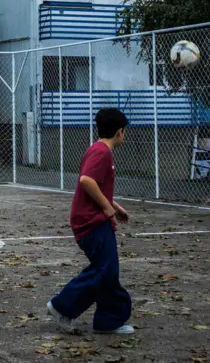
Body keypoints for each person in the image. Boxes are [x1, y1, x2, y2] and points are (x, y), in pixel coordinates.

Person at [46, 107, 134, 335]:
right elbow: (86, 181)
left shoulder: (98, 150)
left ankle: (109, 321)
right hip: (91, 222)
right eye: (125, 132)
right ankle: (61, 306)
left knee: (108, 271)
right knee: (104, 269)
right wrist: (107, 208)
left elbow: (97, 185)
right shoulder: (101, 152)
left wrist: (115, 206)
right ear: (120, 132)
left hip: (94, 219)